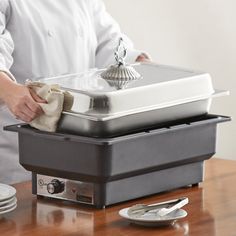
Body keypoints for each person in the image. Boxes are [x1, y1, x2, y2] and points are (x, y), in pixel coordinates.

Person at [0, 0, 149, 184]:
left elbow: (109, 43)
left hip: (79, 140)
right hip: (21, 152)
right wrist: (9, 90)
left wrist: (138, 62)